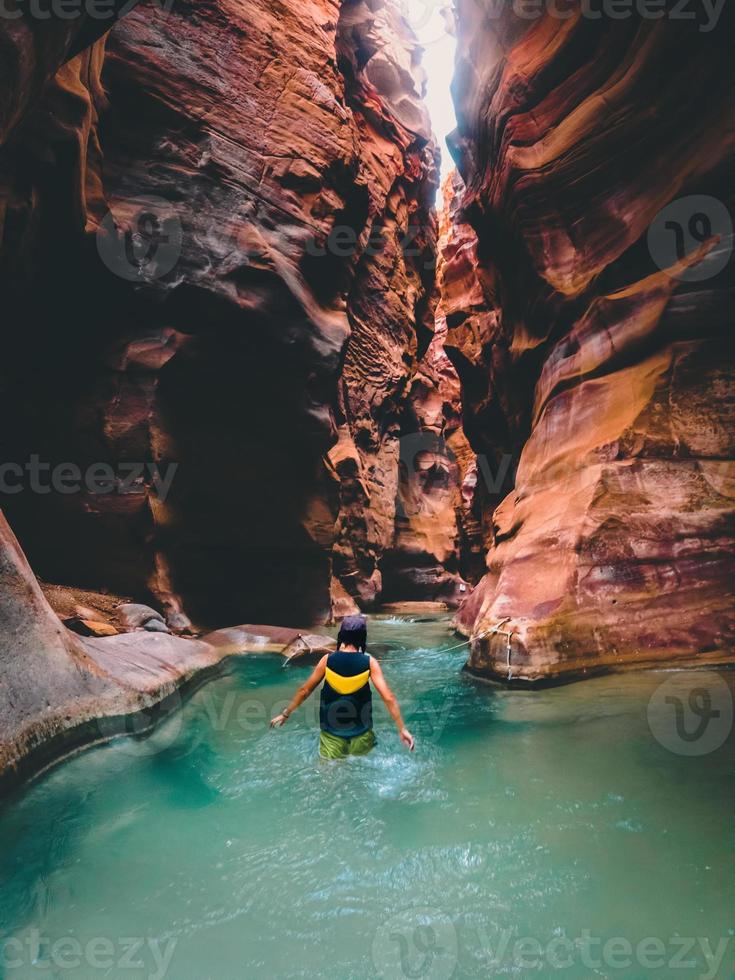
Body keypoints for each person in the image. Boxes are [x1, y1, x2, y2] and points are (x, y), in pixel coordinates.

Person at [270, 614, 415, 759]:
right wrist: (402, 729)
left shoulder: (327, 660)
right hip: (362, 734)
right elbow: (388, 697)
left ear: (342, 635)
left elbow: (304, 691)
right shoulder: (370, 663)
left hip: (331, 736)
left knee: (329, 774)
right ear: (362, 637)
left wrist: (286, 714)